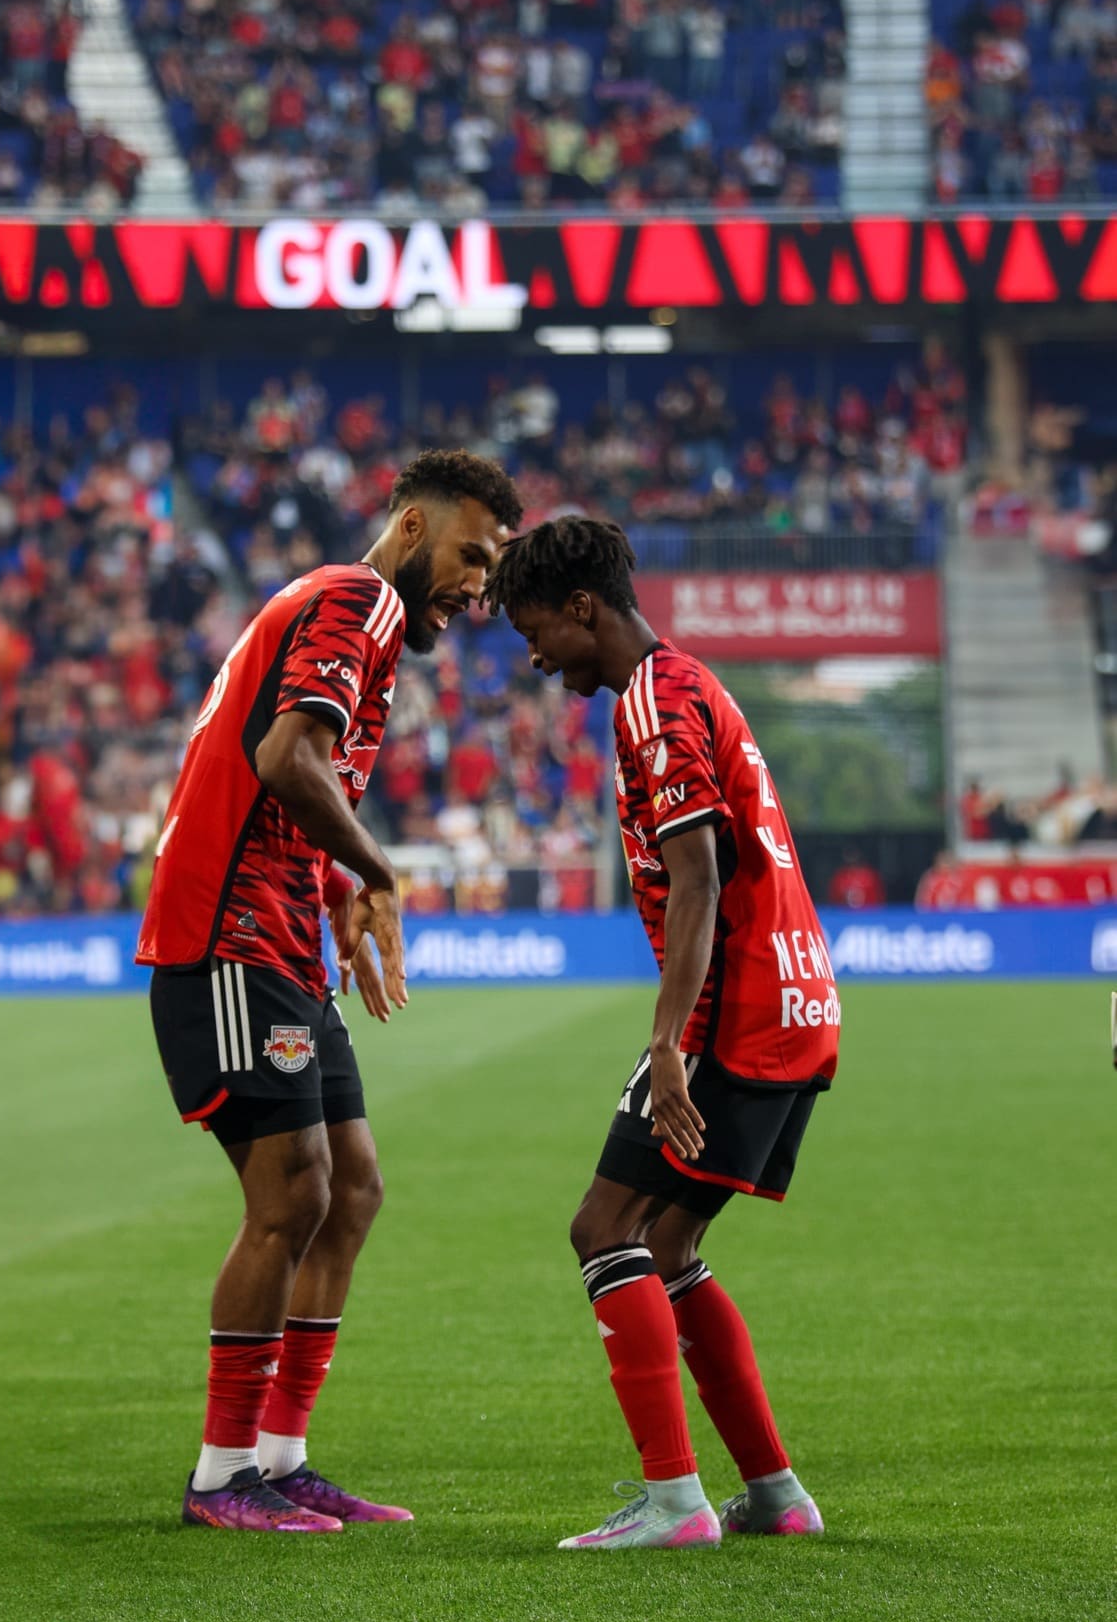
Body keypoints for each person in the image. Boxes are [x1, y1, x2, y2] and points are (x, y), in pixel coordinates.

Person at [139, 449, 522, 1533]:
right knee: (293, 1193)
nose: (479, 588)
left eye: (491, 570)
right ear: (410, 526)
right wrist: (380, 870)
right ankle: (222, 1476)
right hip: (226, 941)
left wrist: (338, 889)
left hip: (283, 945)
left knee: (351, 1187)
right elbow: (286, 759)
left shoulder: (361, 626)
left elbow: (295, 782)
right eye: (470, 555)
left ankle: (279, 1454)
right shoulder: (354, 599)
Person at [486, 517, 838, 1551]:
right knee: (670, 1241)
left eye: (535, 626)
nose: (534, 652)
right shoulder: (690, 682)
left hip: (738, 1010)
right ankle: (774, 1494)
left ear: (583, 605)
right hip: (796, 996)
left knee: (603, 1228)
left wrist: (668, 1038)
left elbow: (698, 873)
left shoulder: (651, 700)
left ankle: (675, 1501)